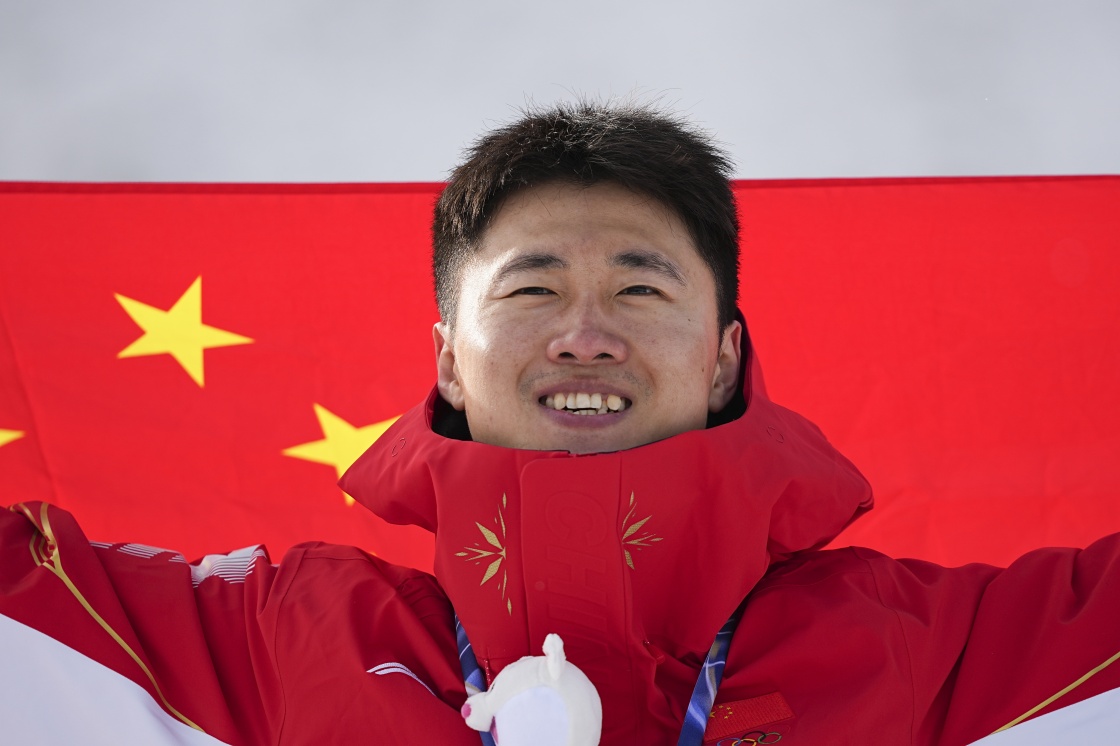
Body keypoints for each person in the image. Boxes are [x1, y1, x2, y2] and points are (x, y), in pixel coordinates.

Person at [3, 102, 1120, 745]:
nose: (585, 336)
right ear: (448, 357)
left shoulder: (926, 650)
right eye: (532, 289)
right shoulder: (283, 642)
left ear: (725, 356)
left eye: (640, 288)